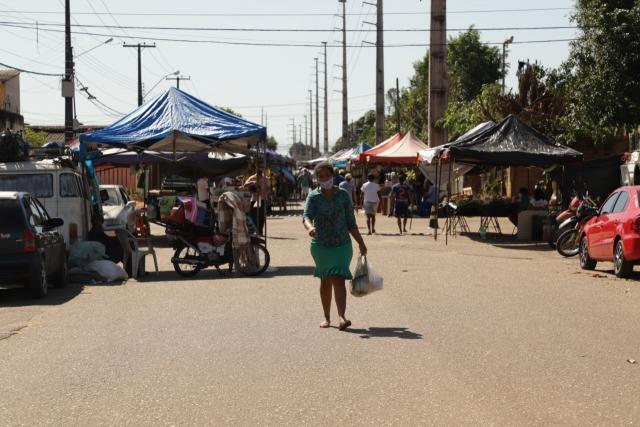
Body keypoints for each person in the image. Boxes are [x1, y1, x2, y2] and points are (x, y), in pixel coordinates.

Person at [303, 162, 367, 331]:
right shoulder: (313, 197)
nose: (324, 179)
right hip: (321, 245)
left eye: (327, 175)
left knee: (338, 278)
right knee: (325, 281)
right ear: (317, 179)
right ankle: (326, 317)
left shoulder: (343, 195)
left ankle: (342, 317)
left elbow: (351, 222)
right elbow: (306, 217)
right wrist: (310, 228)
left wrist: (361, 242)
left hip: (342, 245)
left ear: (333, 176)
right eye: (321, 176)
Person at [244, 169, 270, 235]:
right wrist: (252, 183)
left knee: (261, 216)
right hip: (254, 199)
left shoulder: (265, 178)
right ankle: (256, 230)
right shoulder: (252, 177)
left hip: (262, 199)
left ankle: (260, 231)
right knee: (253, 215)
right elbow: (245, 185)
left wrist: (265, 190)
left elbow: (268, 188)